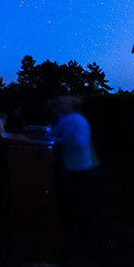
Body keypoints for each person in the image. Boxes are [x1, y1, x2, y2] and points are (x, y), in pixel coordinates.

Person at [51, 95, 105, 255]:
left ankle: (87, 241)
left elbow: (77, 142)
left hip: (78, 168)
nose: (58, 104)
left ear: (70, 105)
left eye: (61, 102)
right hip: (84, 166)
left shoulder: (71, 121)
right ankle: (87, 239)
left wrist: (61, 142)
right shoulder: (76, 119)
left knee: (80, 204)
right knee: (84, 204)